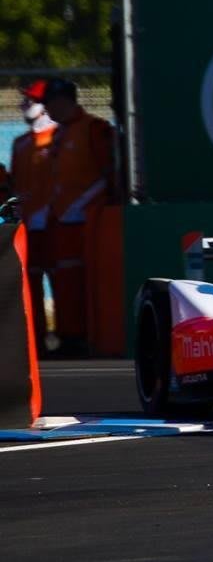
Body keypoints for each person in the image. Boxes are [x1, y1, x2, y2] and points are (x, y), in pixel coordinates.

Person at [43, 79, 120, 355]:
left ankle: (83, 336)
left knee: (81, 281)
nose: (46, 109)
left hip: (85, 221)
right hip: (62, 221)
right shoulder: (59, 135)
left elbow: (108, 174)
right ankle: (68, 336)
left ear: (64, 100)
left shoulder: (93, 129)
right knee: (63, 282)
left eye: (50, 102)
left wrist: (84, 204)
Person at [10, 83, 58, 354]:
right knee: (31, 282)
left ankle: (69, 336)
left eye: (32, 100)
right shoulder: (20, 144)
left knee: (63, 282)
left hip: (55, 222)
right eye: (25, 100)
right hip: (27, 226)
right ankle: (37, 337)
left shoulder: (58, 138)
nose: (26, 104)